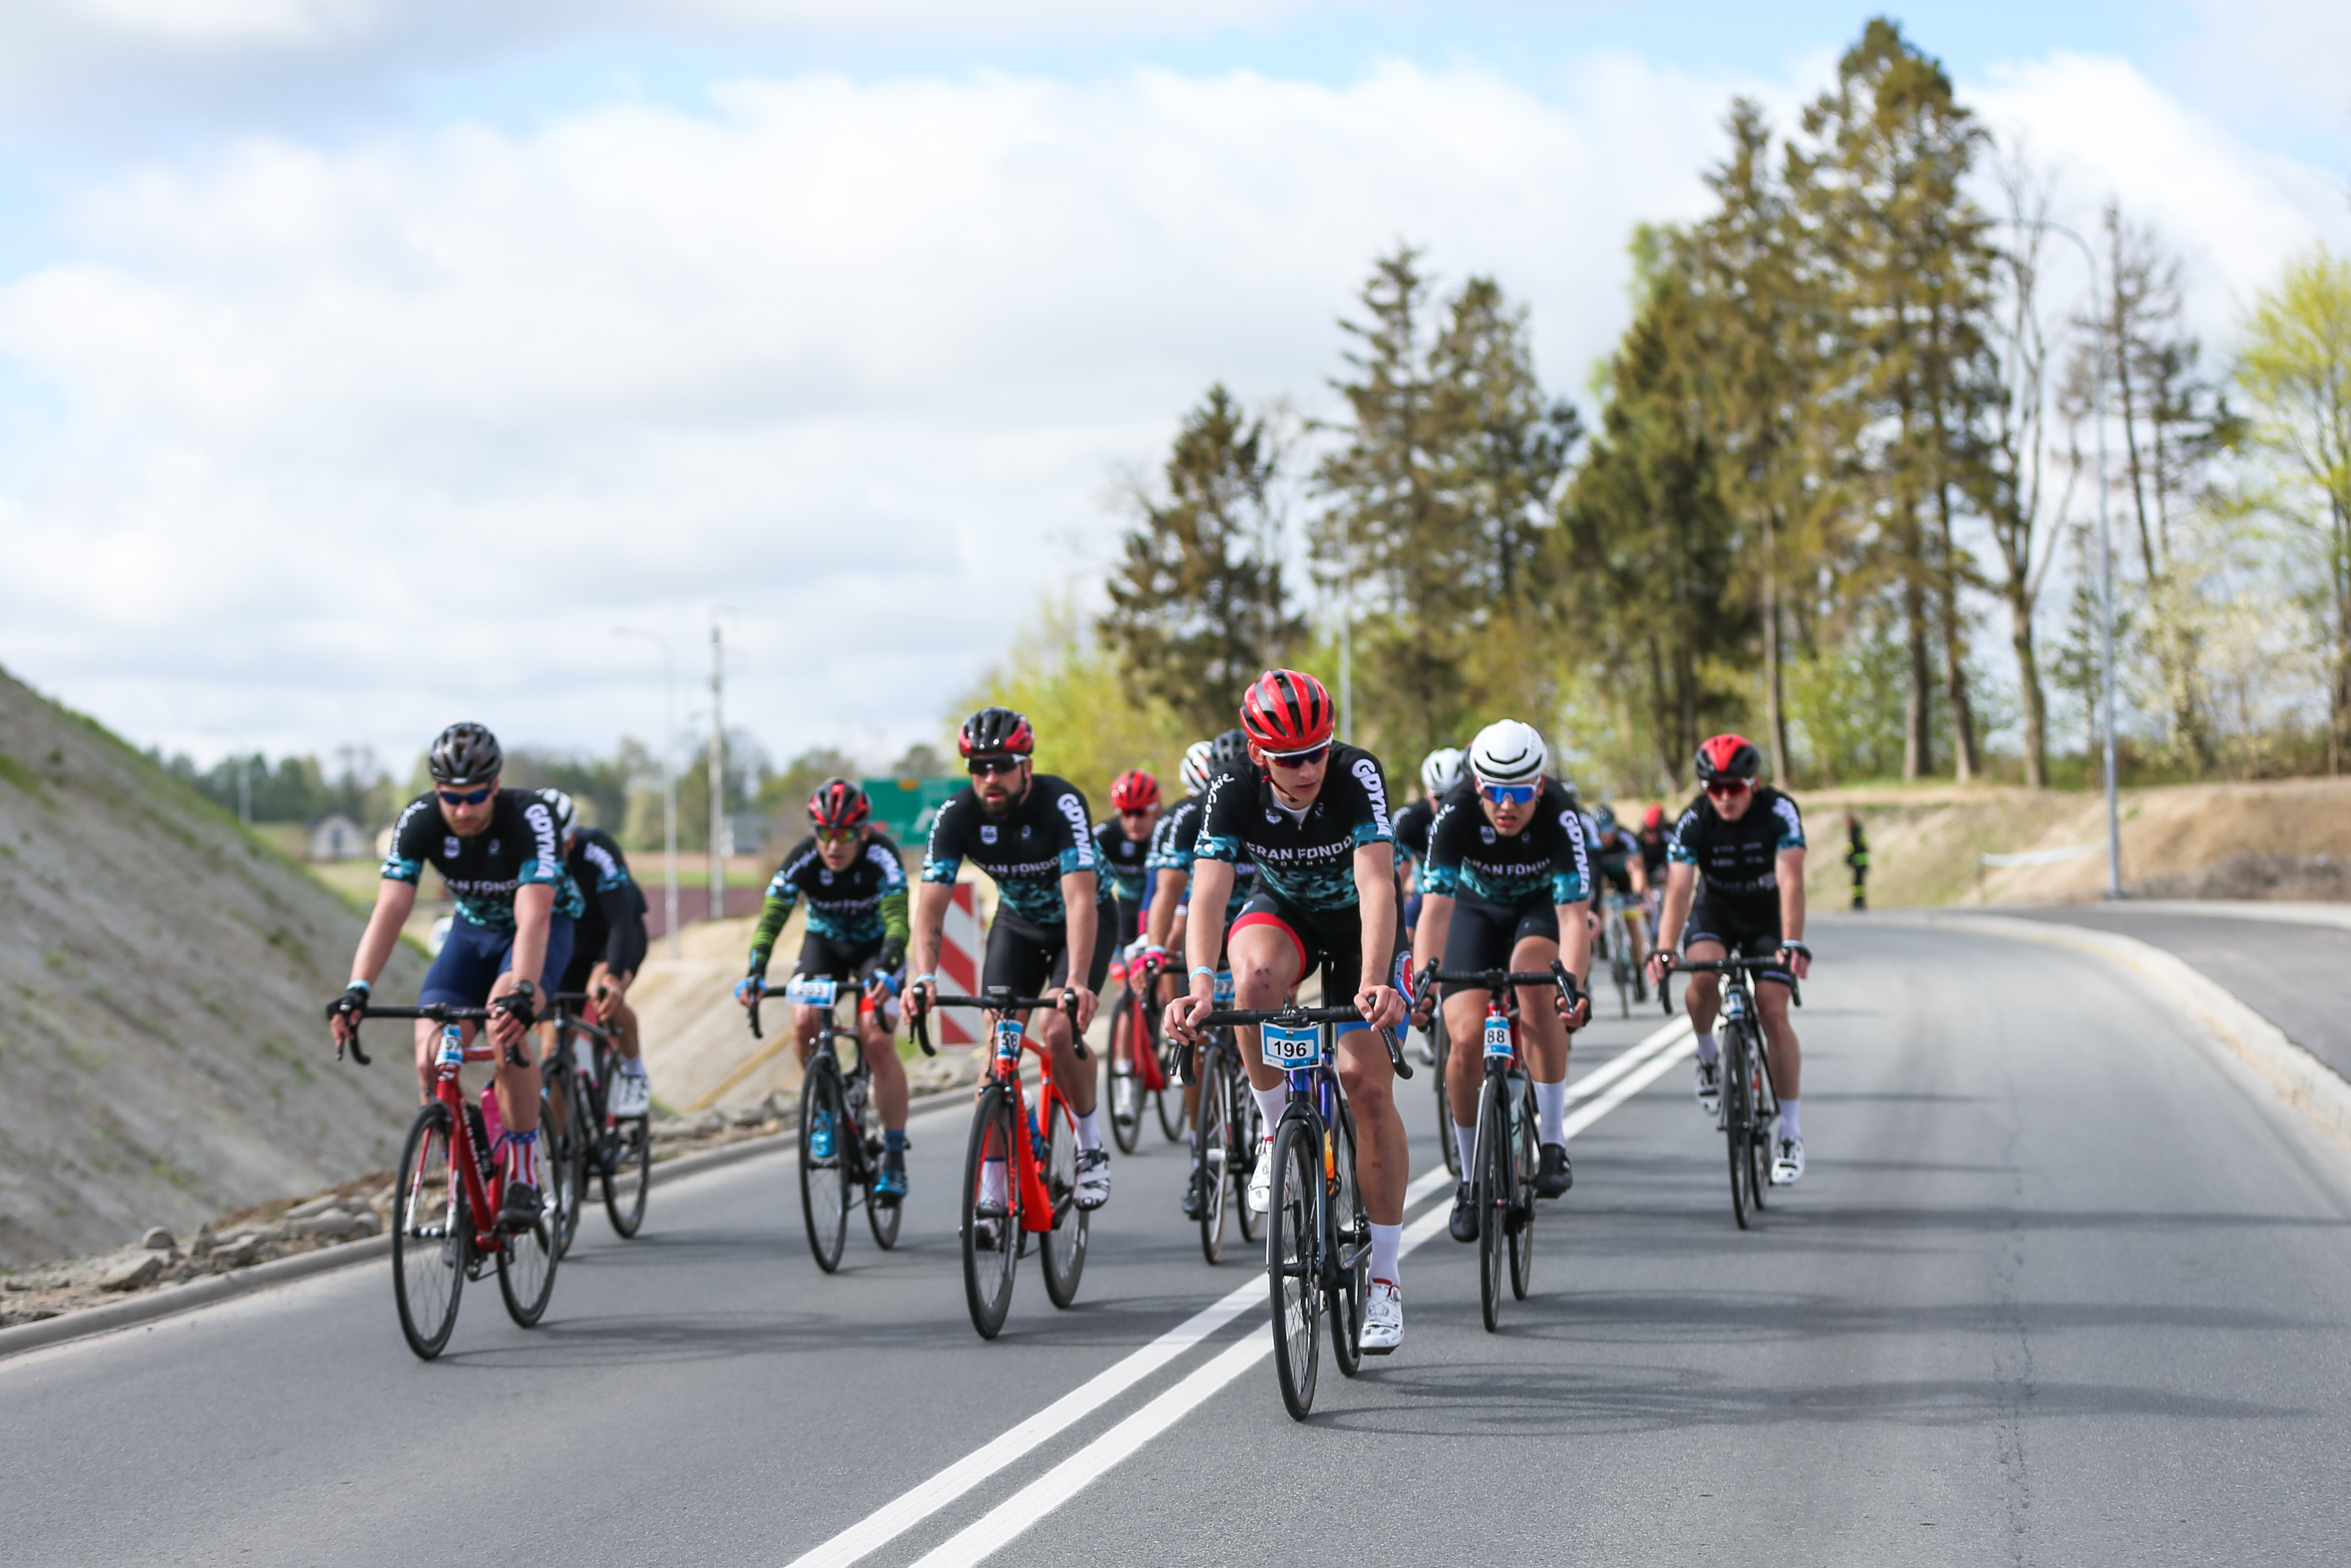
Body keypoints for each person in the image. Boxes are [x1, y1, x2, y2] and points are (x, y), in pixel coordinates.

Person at [1167, 670, 1412, 1353]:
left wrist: (1373, 980)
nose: (1308, 770)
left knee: (1366, 1086)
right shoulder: (1229, 789)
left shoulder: (1356, 774)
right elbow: (1208, 894)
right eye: (1290, 758)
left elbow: (1377, 886)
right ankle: (1276, 1131)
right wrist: (1199, 984)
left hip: (1359, 929)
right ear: (1258, 753)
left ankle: (1386, 1281)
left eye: (1317, 753)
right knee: (1251, 983)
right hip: (1285, 914)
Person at [327, 723, 580, 1232]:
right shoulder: (419, 819)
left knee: (506, 1025)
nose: (463, 810)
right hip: (471, 934)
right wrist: (358, 989)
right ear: (436, 790)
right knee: (430, 1055)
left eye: (476, 797)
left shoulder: (530, 816)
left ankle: (524, 1175)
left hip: (537, 930)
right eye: (451, 798)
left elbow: (533, 916)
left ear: (496, 785)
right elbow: (391, 909)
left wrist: (523, 990)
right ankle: (467, 1168)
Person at [905, 708, 1114, 1217]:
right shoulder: (956, 814)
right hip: (1017, 925)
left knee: (1058, 1028)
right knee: (996, 1054)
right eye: (979, 767)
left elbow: (1080, 900)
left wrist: (1077, 981)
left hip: (1081, 920)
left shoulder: (1060, 802)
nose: (990, 777)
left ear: (1027, 766)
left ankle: (1090, 1146)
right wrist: (925, 976)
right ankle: (993, 1191)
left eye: (1002, 765)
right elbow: (930, 907)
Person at [1407, 720, 1593, 1241]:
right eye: (1493, 791)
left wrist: (1572, 987)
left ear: (1539, 785)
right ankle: (1469, 1180)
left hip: (1539, 910)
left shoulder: (1561, 814)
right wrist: (1425, 984)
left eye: (1520, 793)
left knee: (1534, 983)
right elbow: (1435, 911)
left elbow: (1574, 918)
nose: (1506, 805)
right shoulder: (1456, 811)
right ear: (1477, 784)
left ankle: (1553, 1142)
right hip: (1475, 911)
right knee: (1465, 1039)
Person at [736, 778, 914, 1201]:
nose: (834, 845)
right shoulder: (803, 858)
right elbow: (772, 916)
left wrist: (889, 968)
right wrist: (756, 969)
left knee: (876, 1038)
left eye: (845, 835)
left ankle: (894, 1155)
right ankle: (824, 1107)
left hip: (877, 951)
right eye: (825, 834)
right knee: (804, 1021)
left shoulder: (882, 856)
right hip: (825, 947)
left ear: (863, 833)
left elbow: (897, 921)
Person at [1645, 734, 1812, 1185]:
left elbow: (1792, 882)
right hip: (1716, 911)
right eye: (1714, 787)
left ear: (1753, 782)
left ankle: (1791, 1133)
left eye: (1733, 787)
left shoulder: (1779, 811)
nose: (1723, 797)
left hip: (1767, 917)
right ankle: (1707, 1055)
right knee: (1703, 978)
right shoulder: (1694, 819)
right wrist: (1665, 947)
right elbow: (1679, 890)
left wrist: (1792, 942)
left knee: (1773, 1012)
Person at [1142, 728, 1257, 1218]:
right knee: (1198, 1039)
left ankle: (1267, 1123)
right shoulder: (1190, 817)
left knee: (1271, 1003)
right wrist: (1154, 949)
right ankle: (1202, 1154)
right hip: (1207, 923)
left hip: (1260, 923)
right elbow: (1168, 892)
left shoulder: (1267, 809)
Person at [543, 790, 655, 1119]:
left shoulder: (597, 850)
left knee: (602, 991)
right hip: (570, 942)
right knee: (552, 1043)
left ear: (571, 840)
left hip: (615, 932)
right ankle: (558, 1144)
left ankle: (633, 1070)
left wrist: (614, 976)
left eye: (554, 849)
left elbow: (621, 921)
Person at [1587, 803, 1651, 998]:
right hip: (1601, 879)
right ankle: (1602, 940)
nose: (1605, 835)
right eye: (1601, 831)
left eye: (1609, 829)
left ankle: (1639, 974)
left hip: (1625, 882)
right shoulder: (1590, 840)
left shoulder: (1626, 838)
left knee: (1633, 925)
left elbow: (1637, 869)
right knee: (1596, 905)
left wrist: (1638, 894)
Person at [1845, 811, 1870, 911]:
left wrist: (1848, 857)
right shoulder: (1860, 831)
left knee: (1857, 883)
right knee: (1860, 883)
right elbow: (1865, 846)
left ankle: (1857, 902)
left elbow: (1851, 847)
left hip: (1858, 862)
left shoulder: (1854, 832)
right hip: (1863, 861)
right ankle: (1860, 902)